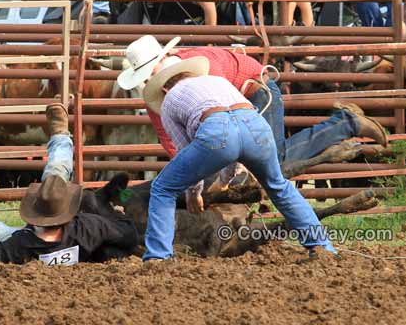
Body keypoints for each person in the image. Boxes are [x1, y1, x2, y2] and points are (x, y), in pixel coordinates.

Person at [141, 61, 336, 260]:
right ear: (190, 74)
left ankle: (158, 257)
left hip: (215, 129)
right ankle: (323, 247)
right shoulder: (217, 81)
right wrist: (224, 182)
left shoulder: (170, 100)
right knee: (278, 185)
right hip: (256, 126)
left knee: (163, 188)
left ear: (164, 88)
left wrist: (194, 193)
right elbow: (236, 129)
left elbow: (185, 150)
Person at [117, 35, 388, 171]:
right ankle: (346, 124)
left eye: (148, 73)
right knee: (266, 162)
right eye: (143, 77)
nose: (148, 80)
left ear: (162, 62)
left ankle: (346, 124)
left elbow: (226, 111)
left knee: (270, 160)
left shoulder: (203, 65)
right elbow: (172, 143)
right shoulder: (156, 97)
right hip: (235, 106)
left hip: (254, 92)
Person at [0, 103, 139, 268]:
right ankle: (61, 137)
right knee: (54, 181)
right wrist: (117, 216)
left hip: (34, 244)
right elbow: (129, 234)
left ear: (36, 213)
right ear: (69, 211)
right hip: (70, 244)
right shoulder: (87, 228)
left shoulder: (20, 244)